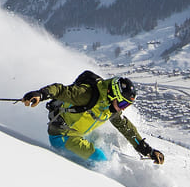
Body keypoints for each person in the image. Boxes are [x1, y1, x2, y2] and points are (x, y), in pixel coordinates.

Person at [21, 71, 165, 165]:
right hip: (62, 136)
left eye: (126, 106)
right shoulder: (87, 94)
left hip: (78, 133)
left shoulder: (110, 106)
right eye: (122, 103)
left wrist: (147, 150)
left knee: (107, 143)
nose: (122, 108)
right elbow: (60, 90)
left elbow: (125, 127)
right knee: (100, 159)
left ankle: (117, 161)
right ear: (113, 94)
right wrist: (41, 94)